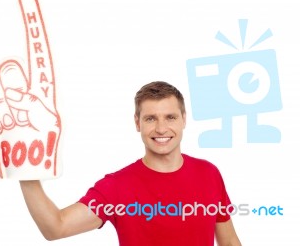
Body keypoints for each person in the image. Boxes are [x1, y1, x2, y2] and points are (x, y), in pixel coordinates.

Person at [19, 81, 242, 245]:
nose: (161, 129)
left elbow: (229, 242)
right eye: (150, 118)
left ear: (184, 119)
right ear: (137, 123)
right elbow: (56, 227)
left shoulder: (208, 173)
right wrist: (26, 170)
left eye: (170, 117)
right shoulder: (117, 187)